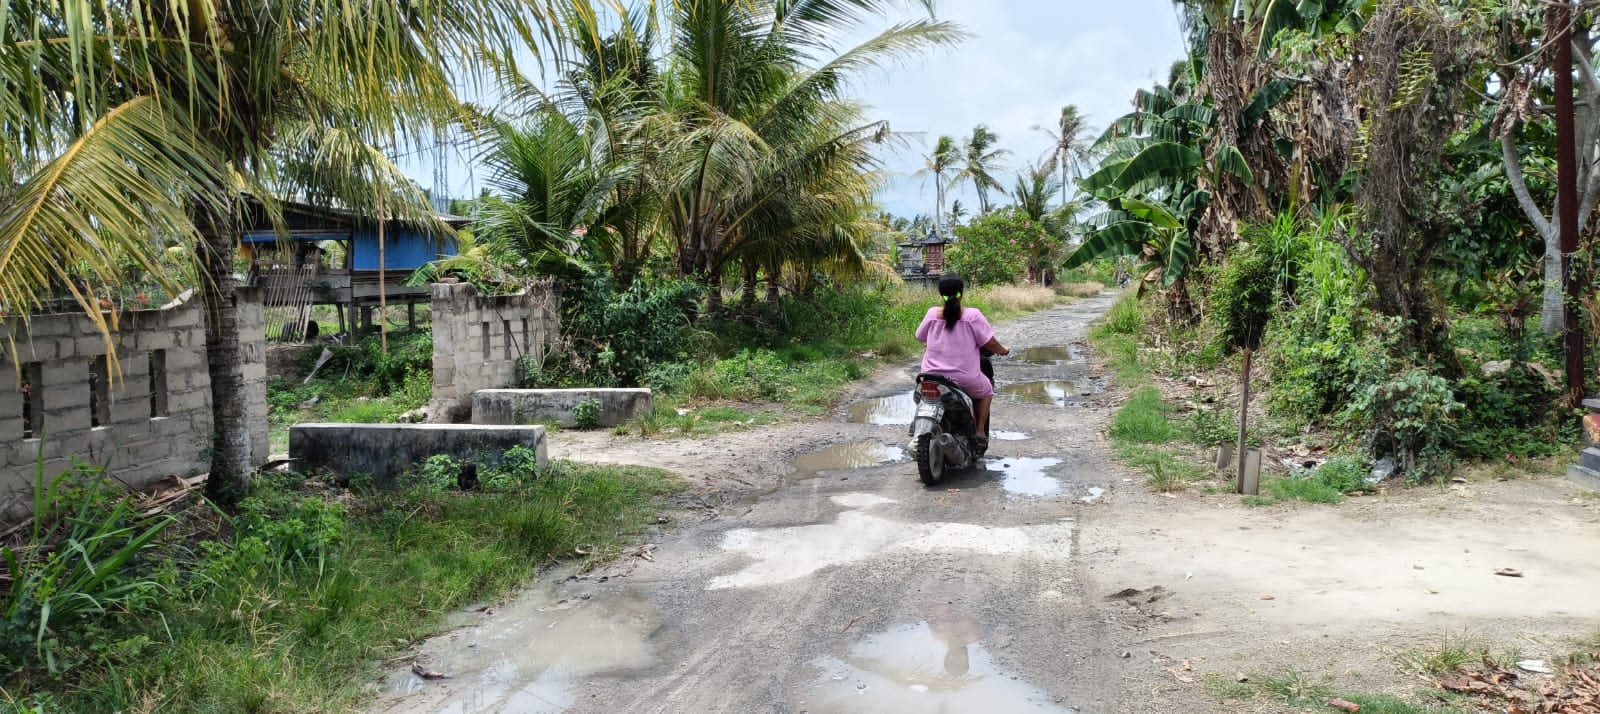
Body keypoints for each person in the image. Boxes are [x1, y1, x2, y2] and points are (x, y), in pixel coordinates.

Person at [915, 274, 1009, 450]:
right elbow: (990, 342)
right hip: (964, 379)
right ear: (961, 293)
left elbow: (920, 336)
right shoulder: (972, 315)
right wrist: (1003, 350)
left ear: (940, 293)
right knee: (987, 390)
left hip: (930, 376)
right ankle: (980, 431)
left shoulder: (932, 313)